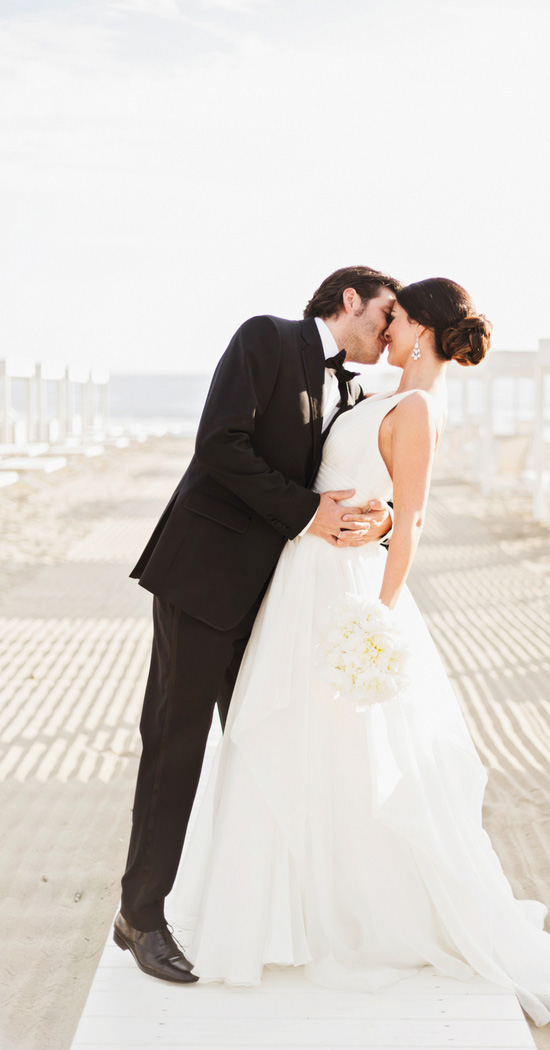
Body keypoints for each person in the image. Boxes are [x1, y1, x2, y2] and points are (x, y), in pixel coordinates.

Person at [168, 278, 550, 1028]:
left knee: (343, 748)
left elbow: (411, 522)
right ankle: (279, 910)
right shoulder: (369, 394)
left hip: (345, 592)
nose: (386, 327)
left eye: (398, 318)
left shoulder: (418, 410)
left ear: (426, 331)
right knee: (285, 736)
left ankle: (348, 913)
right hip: (300, 579)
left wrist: (381, 617)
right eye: (386, 312)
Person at [114, 266, 402, 983]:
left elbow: (360, 471)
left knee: (269, 742)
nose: (389, 329)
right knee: (175, 745)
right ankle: (140, 916)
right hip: (205, 577)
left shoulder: (358, 387)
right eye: (384, 313)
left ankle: (266, 911)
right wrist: (309, 513)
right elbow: (219, 445)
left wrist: (384, 518)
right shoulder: (264, 339)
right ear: (348, 300)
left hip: (279, 598)